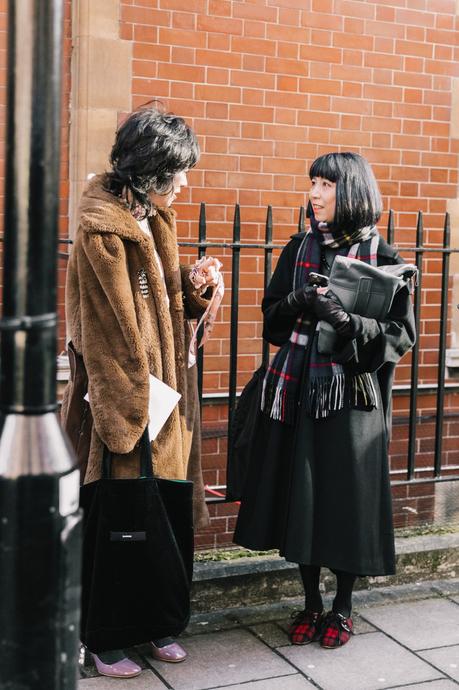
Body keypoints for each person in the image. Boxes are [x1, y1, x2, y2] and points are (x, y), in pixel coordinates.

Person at [234, 152, 416, 649]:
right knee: (303, 501)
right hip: (294, 392)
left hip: (352, 400)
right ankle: (311, 603)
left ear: (351, 191)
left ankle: (342, 607)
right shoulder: (298, 250)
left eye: (325, 185)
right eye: (312, 183)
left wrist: (344, 319)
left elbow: (400, 337)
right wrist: (297, 302)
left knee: (345, 506)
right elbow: (271, 321)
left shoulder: (383, 259)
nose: (314, 195)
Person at [61, 105, 218, 678]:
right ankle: (104, 639)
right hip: (125, 405)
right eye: (177, 172)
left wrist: (194, 289)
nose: (185, 183)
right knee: (117, 522)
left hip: (164, 398)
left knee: (161, 516)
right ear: (151, 170)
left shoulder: (154, 219)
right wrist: (129, 412)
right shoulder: (102, 231)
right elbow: (100, 333)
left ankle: (153, 625)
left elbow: (161, 300)